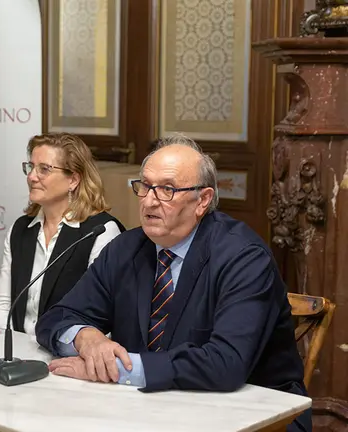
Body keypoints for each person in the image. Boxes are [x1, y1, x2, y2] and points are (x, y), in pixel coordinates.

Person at [35, 134, 310, 431]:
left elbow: (225, 363)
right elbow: (56, 318)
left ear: (202, 200)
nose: (150, 201)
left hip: (257, 416)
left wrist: (117, 370)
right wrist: (85, 338)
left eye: (167, 189)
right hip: (154, 408)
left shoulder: (243, 258)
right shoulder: (126, 248)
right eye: (145, 186)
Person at [0, 132, 125, 335]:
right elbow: (3, 305)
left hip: (67, 357)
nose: (31, 176)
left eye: (44, 169)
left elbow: (103, 320)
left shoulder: (101, 233)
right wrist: (8, 350)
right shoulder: (20, 230)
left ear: (73, 179)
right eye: (31, 167)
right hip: (16, 354)